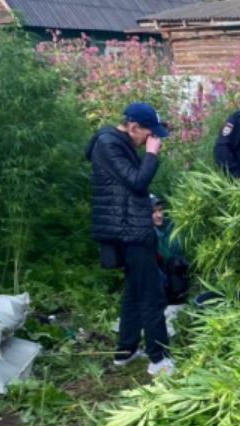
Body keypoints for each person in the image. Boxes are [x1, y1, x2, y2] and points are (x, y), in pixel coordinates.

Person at [85, 102, 175, 377]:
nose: (151, 140)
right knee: (151, 292)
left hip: (127, 227)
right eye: (149, 134)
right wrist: (151, 155)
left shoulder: (116, 142)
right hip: (128, 230)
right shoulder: (109, 144)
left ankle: (125, 350)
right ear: (133, 126)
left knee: (135, 290)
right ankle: (159, 359)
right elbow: (137, 182)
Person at [150, 194, 189, 306]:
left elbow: (173, 251)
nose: (159, 215)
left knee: (177, 261)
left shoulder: (169, 225)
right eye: (153, 212)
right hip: (155, 281)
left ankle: (178, 295)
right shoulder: (143, 232)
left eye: (160, 210)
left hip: (168, 272)